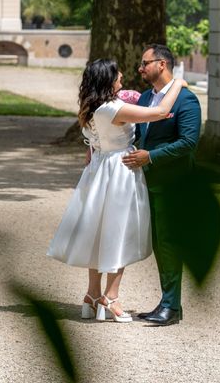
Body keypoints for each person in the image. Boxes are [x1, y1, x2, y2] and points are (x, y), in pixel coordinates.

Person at [47, 58, 187, 323]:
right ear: (107, 80)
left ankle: (92, 294)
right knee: (119, 232)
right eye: (117, 73)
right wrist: (177, 83)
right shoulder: (114, 108)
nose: (122, 74)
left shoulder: (89, 107)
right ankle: (111, 297)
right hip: (119, 170)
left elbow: (94, 141)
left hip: (98, 170)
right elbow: (160, 112)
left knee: (98, 231)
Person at [122, 44, 201, 326]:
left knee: (169, 244)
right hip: (147, 185)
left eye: (145, 63)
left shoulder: (186, 101)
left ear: (162, 65)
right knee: (159, 244)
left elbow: (189, 143)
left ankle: (171, 307)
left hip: (173, 182)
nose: (140, 69)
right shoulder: (145, 98)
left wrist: (150, 157)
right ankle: (168, 303)